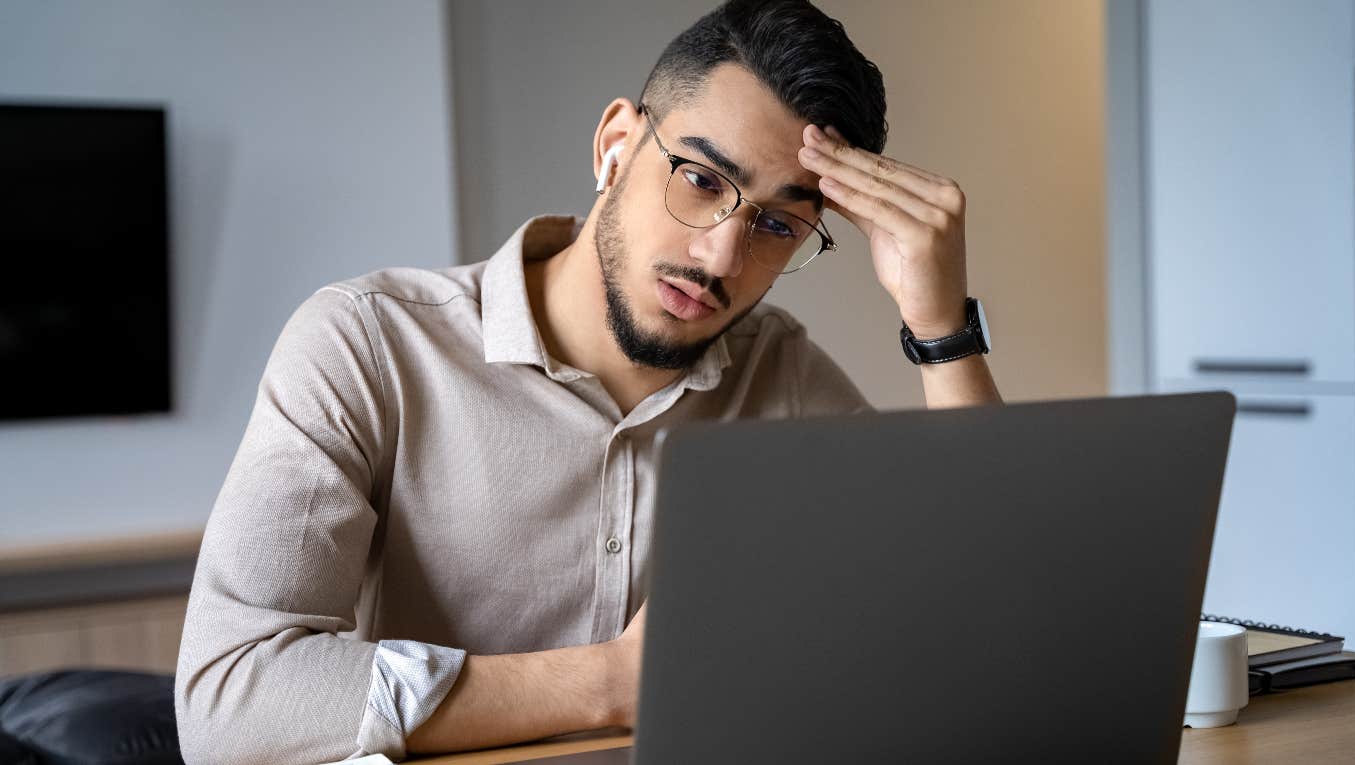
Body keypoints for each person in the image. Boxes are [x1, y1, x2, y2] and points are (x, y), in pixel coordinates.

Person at [173, 0, 1003, 762]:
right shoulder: (370, 342)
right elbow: (231, 698)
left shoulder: (779, 374)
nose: (721, 254)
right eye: (702, 178)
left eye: (777, 223)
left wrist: (941, 330)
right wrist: (609, 681)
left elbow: (993, 618)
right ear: (615, 146)